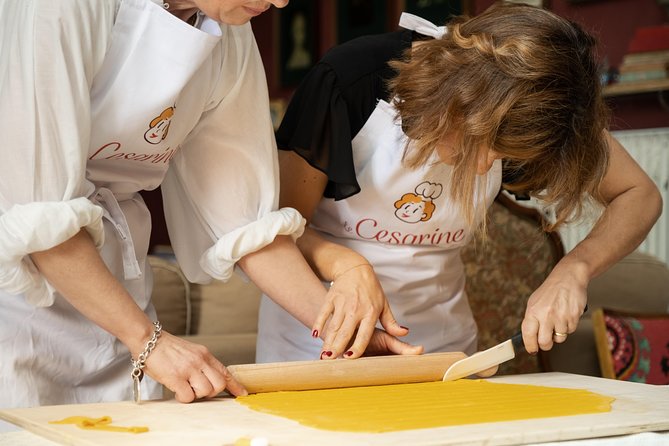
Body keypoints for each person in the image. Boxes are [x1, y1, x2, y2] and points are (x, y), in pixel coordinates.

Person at [0, 0, 416, 411]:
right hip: (16, 293)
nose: (282, 1)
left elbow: (245, 224)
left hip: (116, 291)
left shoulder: (229, 34)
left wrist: (341, 335)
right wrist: (148, 340)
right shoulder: (57, 7)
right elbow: (39, 216)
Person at [256, 2, 663, 363]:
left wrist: (574, 269)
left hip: (444, 357)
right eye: (479, 141)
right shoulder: (351, 80)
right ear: (462, 92)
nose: (486, 166)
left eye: (504, 154)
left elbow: (639, 194)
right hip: (317, 349)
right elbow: (277, 225)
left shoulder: (535, 108)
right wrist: (346, 264)